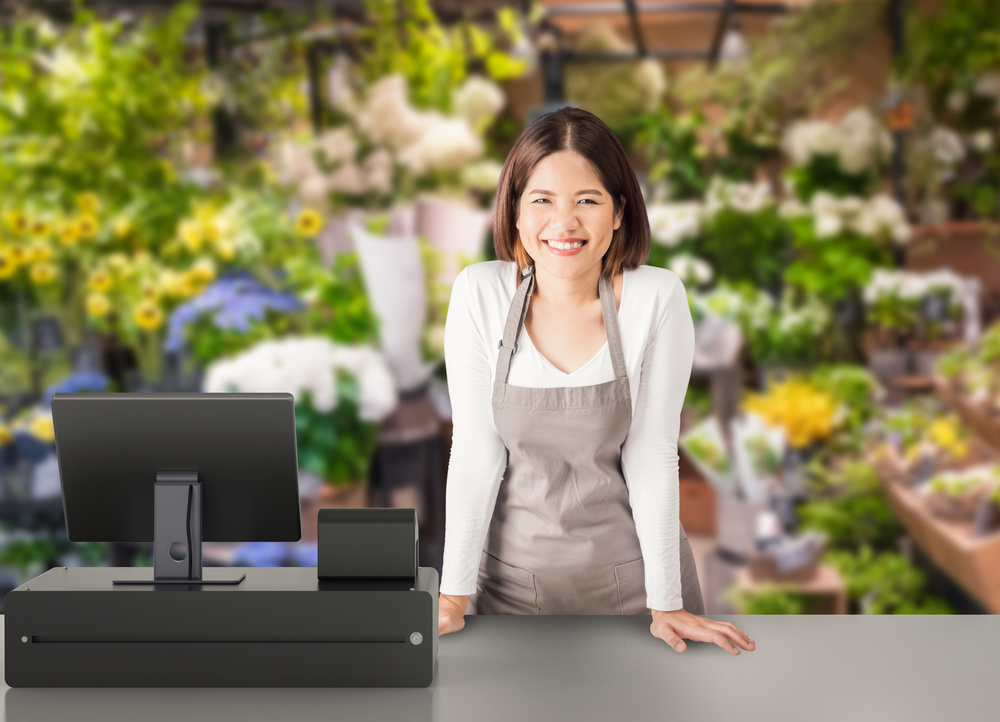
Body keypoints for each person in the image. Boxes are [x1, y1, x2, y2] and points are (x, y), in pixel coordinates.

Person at [437, 106, 755, 656]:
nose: (564, 223)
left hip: (639, 595)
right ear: (514, 212)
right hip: (507, 591)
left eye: (587, 200)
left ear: (617, 213)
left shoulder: (656, 298)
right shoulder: (479, 294)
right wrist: (451, 596)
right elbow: (474, 451)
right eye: (542, 200)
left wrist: (667, 603)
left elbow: (652, 454)